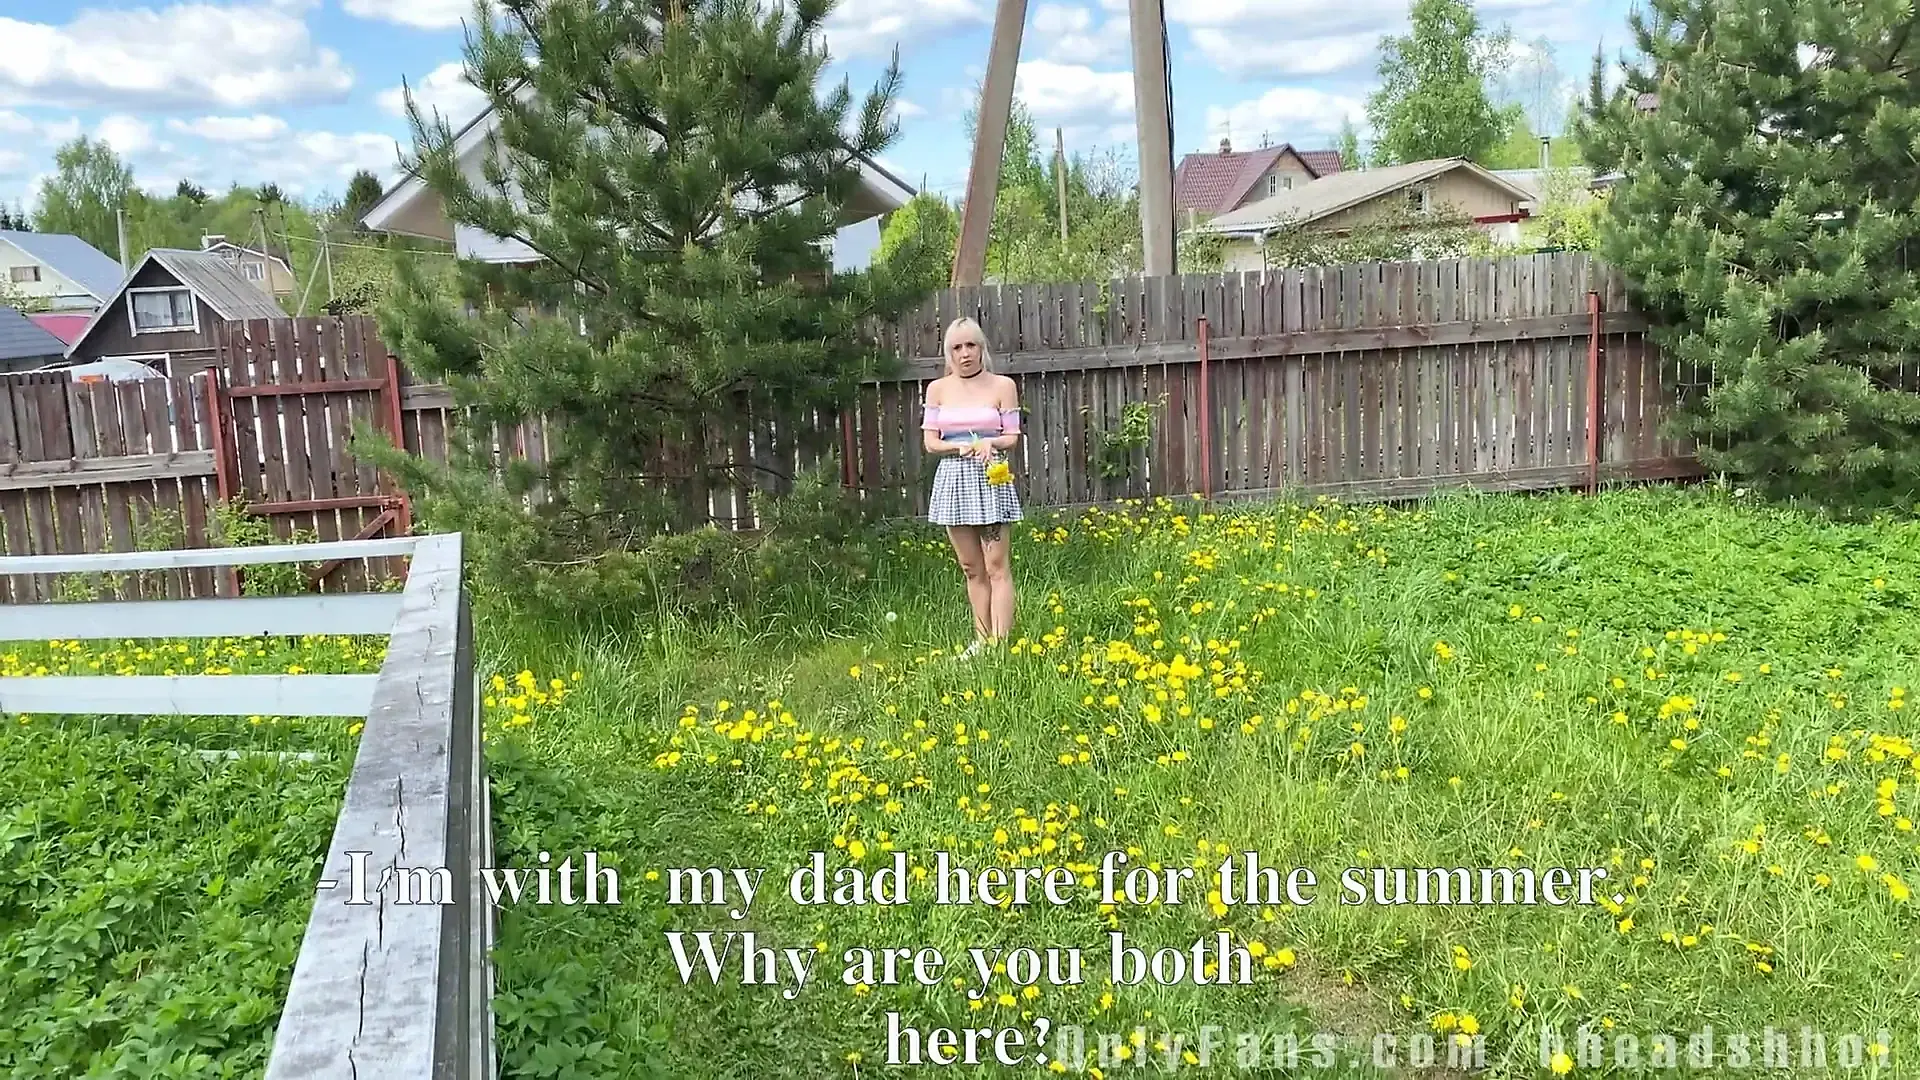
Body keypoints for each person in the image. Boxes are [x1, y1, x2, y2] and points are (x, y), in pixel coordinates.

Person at [922, 317, 1021, 657]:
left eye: (970, 345)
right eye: (957, 347)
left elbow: (1012, 437)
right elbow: (931, 443)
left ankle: (1001, 645)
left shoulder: (1003, 386)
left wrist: (990, 442)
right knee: (971, 567)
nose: (964, 353)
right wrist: (959, 447)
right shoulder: (937, 389)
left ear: (981, 348)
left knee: (996, 566)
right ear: (948, 353)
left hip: (991, 478)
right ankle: (982, 641)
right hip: (953, 481)